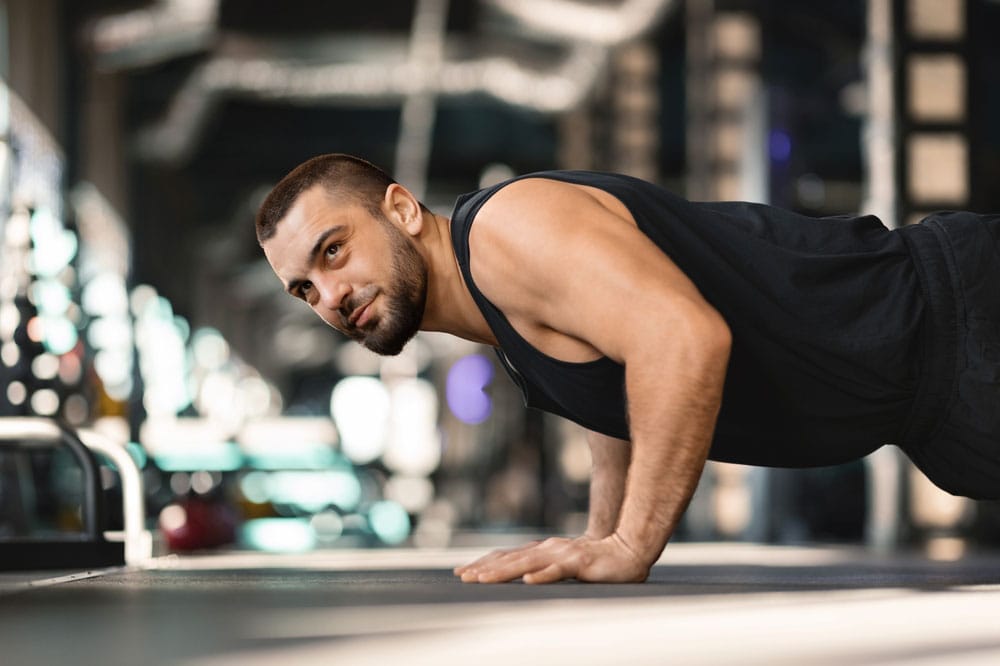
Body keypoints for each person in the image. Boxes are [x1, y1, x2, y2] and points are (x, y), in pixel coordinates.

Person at [256, 153, 1000, 584]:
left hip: (964, 316)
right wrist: (596, 538)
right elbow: (613, 400)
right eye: (304, 290)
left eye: (333, 251)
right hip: (936, 416)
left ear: (402, 210)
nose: (330, 296)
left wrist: (631, 544)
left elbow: (681, 338)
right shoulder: (502, 320)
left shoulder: (507, 230)